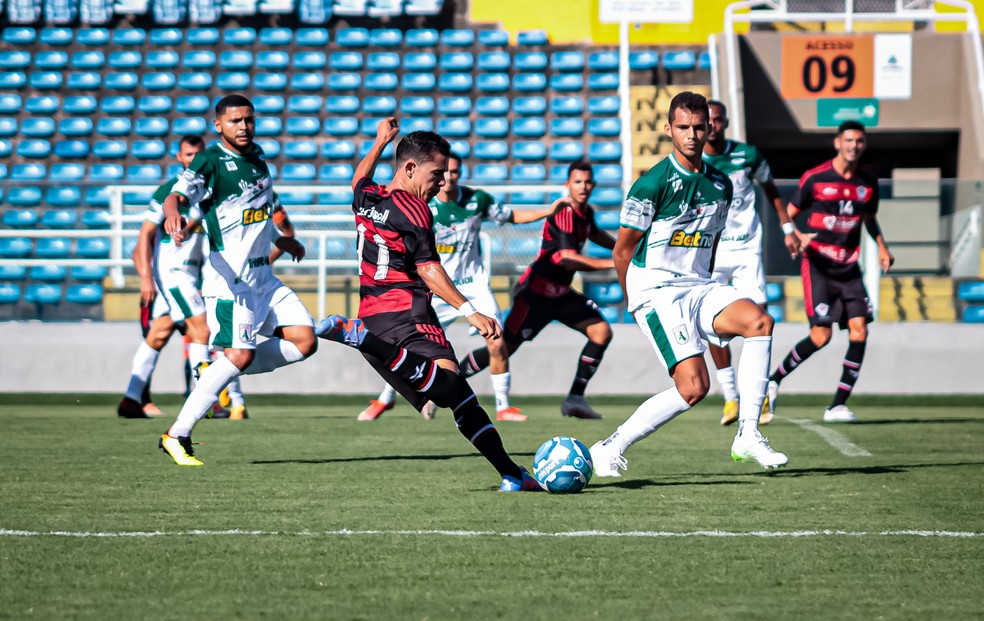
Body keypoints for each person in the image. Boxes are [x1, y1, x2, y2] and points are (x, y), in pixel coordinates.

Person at [316, 117, 542, 492]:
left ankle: (511, 474)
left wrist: (380, 142)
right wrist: (470, 309)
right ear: (409, 168)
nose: (442, 182)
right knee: (449, 390)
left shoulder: (367, 196)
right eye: (436, 174)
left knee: (460, 399)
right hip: (407, 313)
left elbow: (358, 176)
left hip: (372, 316)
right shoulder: (416, 209)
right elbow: (428, 267)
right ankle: (358, 337)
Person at [589, 91, 789, 478]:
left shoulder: (722, 184)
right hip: (657, 291)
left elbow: (711, 244)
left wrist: (712, 292)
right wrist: (635, 302)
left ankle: (748, 433)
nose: (692, 135)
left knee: (760, 322)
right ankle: (610, 447)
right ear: (668, 130)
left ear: (710, 127)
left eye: (699, 127)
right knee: (694, 388)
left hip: (700, 285)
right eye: (683, 127)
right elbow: (621, 252)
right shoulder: (651, 184)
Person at [158, 94, 316, 465]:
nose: (243, 127)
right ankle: (176, 434)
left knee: (304, 341)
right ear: (218, 125)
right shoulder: (210, 160)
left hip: (264, 275)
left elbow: (257, 214)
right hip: (232, 282)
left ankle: (217, 368)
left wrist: (282, 239)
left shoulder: (258, 156)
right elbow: (176, 196)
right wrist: (173, 215)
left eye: (248, 120)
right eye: (234, 121)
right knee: (240, 356)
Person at [358, 152, 562, 422]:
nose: (448, 177)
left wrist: (549, 210)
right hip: (436, 287)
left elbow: (512, 216)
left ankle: (503, 406)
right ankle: (387, 399)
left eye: (453, 172)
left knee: (497, 341)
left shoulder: (477, 200)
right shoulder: (421, 204)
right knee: (404, 349)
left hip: (473, 287)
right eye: (444, 172)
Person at [458, 161, 616, 420]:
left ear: (594, 185)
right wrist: (614, 262)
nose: (584, 187)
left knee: (601, 332)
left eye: (588, 182)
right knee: (503, 349)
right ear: (567, 185)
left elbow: (594, 233)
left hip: (561, 294)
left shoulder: (585, 212)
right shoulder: (564, 212)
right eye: (578, 182)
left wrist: (621, 248)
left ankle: (575, 399)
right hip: (535, 294)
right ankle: (451, 379)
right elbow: (567, 258)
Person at [766, 120, 894, 423]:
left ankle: (837, 405)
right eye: (848, 140)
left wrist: (882, 247)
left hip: (850, 269)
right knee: (821, 336)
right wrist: (796, 236)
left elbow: (869, 218)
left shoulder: (868, 181)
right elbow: (789, 215)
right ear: (838, 143)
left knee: (860, 330)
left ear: (863, 145)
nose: (853, 146)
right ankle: (774, 380)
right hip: (819, 266)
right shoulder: (815, 178)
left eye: (859, 141)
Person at [701, 100, 800, 426]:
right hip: (711, 253)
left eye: (718, 120)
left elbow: (771, 191)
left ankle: (757, 397)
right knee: (714, 325)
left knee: (758, 320)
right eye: (707, 120)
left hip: (746, 252)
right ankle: (730, 397)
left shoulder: (748, 155)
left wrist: (788, 229)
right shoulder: (694, 162)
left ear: (726, 122)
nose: (712, 125)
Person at [117, 134, 210, 420]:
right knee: (202, 331)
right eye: (188, 155)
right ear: (180, 158)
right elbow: (143, 238)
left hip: (189, 276)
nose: (193, 159)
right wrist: (146, 279)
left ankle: (132, 399)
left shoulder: (209, 191)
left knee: (158, 335)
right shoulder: (170, 191)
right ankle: (205, 399)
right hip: (174, 275)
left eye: (198, 154)